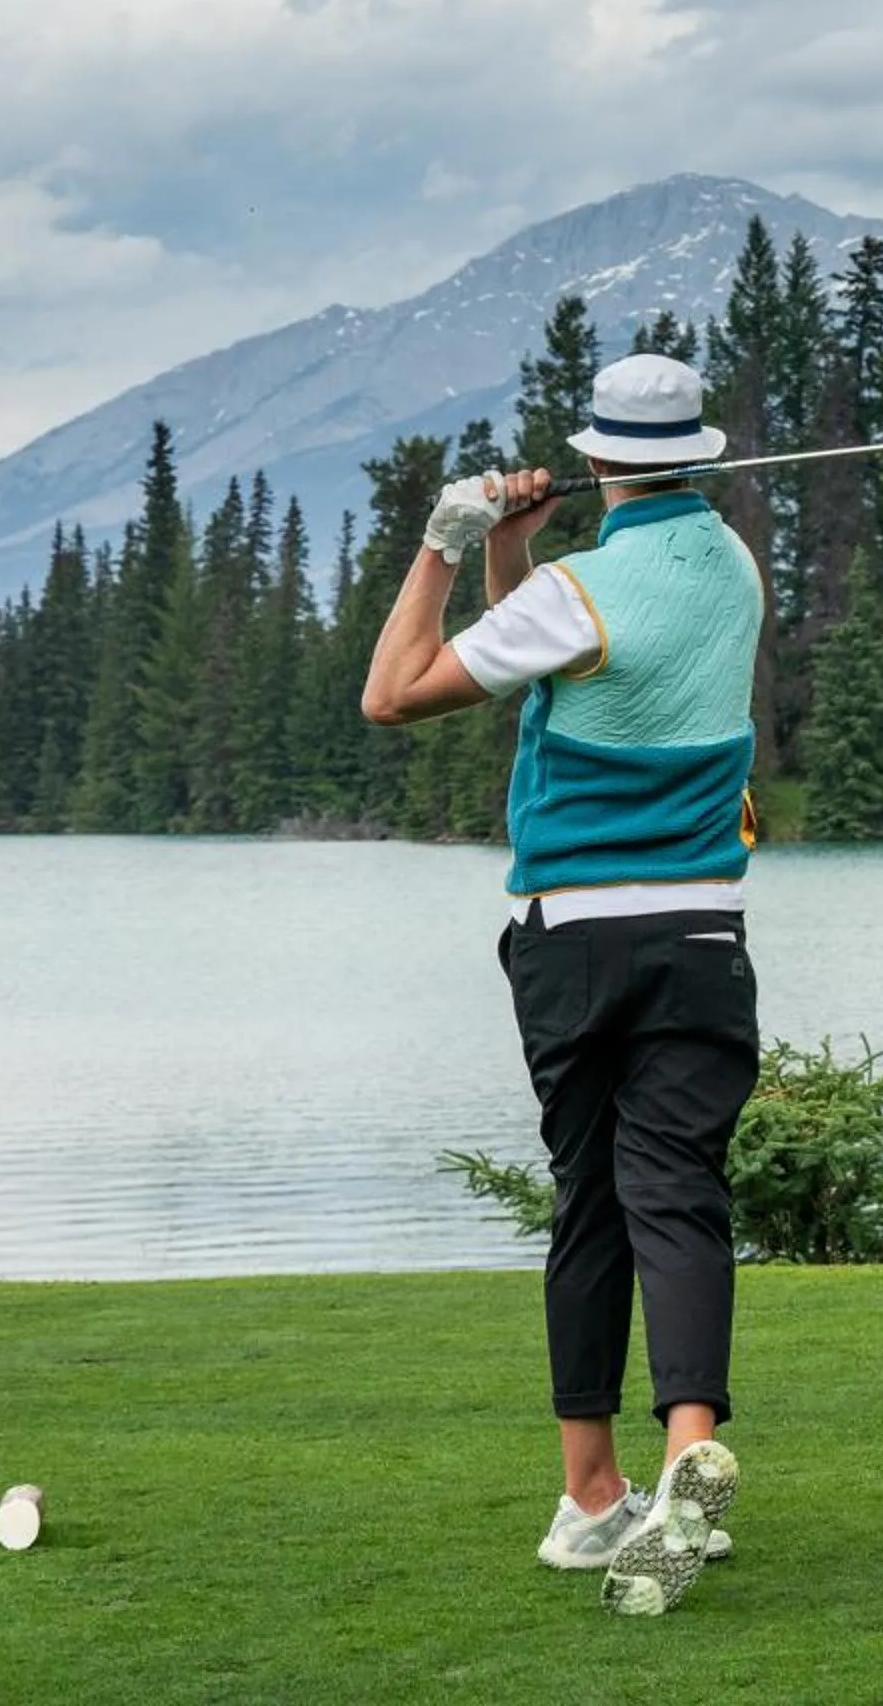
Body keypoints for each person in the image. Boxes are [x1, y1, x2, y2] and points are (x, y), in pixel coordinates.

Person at [360, 351, 762, 1618]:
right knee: (679, 1192)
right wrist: (515, 552)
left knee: (590, 1204)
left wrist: (445, 543)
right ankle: (687, 1448)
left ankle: (593, 1496)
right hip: (704, 934)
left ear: (594, 457)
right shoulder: (736, 568)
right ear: (696, 456)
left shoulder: (579, 592)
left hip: (575, 940)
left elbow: (392, 694)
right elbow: (562, 648)